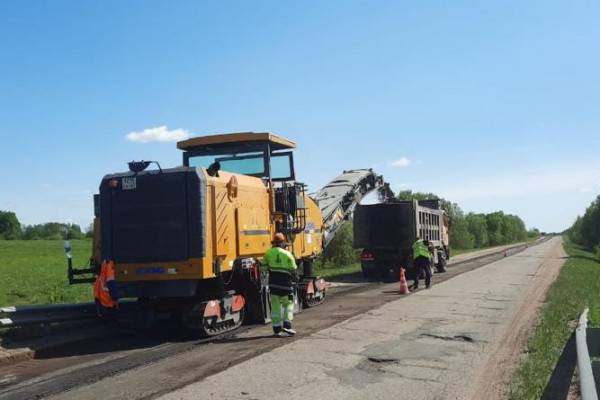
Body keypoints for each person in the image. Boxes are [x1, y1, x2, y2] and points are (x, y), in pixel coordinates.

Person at [263, 233, 298, 337]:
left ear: (273, 243)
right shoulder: (288, 254)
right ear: (283, 243)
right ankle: (287, 325)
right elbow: (294, 269)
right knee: (288, 305)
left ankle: (277, 329)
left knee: (275, 308)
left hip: (273, 285)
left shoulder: (268, 253)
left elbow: (264, 269)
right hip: (286, 285)